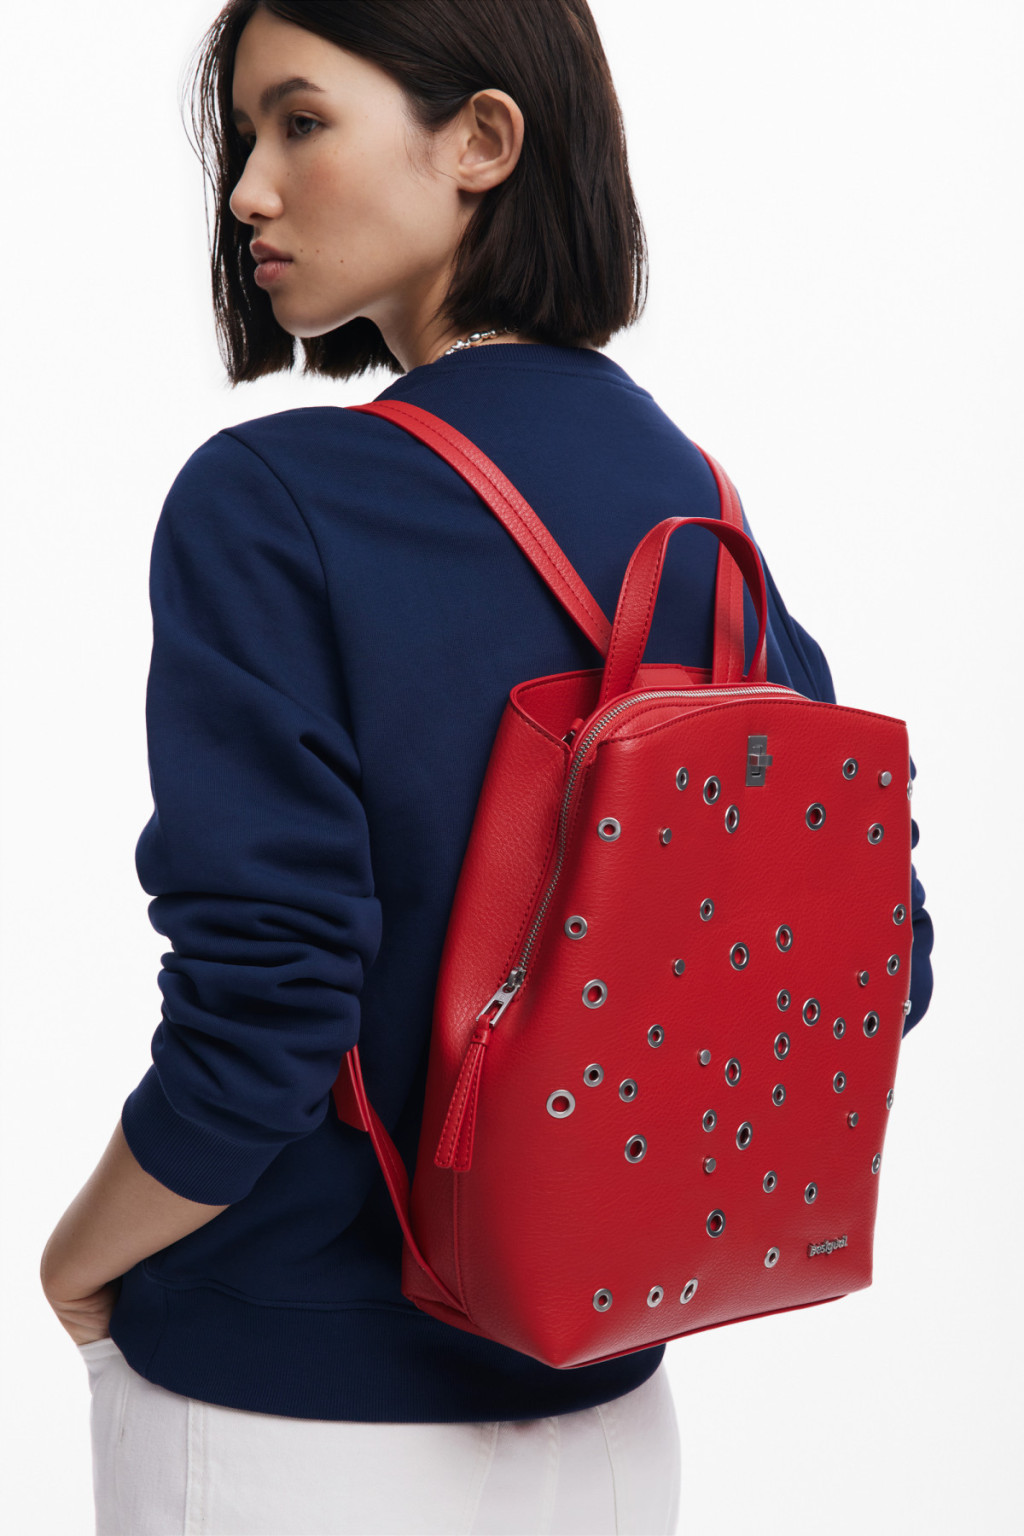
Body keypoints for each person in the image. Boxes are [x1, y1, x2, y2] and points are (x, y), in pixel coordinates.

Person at [39, 3, 934, 1533]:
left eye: (299, 122)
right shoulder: (695, 500)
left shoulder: (274, 498)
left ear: (483, 141)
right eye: (242, 137)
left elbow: (265, 1014)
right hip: (611, 1411)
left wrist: (77, 1261)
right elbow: (879, 961)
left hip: (286, 1421)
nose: (247, 188)